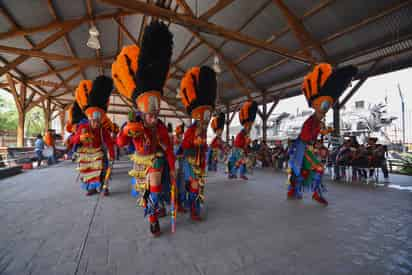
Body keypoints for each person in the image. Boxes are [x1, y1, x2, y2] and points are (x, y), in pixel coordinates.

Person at [113, 21, 174, 236]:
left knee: (155, 186)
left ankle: (153, 218)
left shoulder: (160, 127)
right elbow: (120, 144)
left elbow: (168, 147)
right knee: (146, 192)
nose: (153, 115)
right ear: (141, 109)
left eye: (155, 112)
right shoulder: (133, 123)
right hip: (138, 160)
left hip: (155, 160)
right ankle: (155, 209)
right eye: (149, 112)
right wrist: (125, 132)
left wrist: (173, 167)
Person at [288, 63, 357, 205]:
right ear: (315, 105)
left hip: (307, 148)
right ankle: (308, 192)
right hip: (303, 148)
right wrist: (317, 142)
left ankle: (301, 191)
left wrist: (326, 132)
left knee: (305, 171)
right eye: (324, 106)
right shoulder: (311, 121)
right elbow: (307, 137)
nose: (325, 109)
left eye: (327, 106)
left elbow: (318, 133)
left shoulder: (317, 121)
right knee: (314, 169)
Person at [179, 65, 217, 221]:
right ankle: (193, 210)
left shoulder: (204, 130)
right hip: (189, 162)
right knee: (194, 184)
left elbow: (204, 146)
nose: (206, 121)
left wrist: (204, 145)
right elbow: (186, 145)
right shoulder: (190, 130)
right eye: (204, 118)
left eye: (208, 118)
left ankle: (192, 205)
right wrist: (195, 141)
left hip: (200, 162)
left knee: (198, 185)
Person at [71, 76, 115, 196]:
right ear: (90, 119)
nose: (96, 123)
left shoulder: (102, 129)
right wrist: (80, 138)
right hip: (85, 153)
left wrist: (111, 153)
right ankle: (91, 188)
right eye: (94, 121)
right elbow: (73, 140)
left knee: (102, 169)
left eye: (98, 121)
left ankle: (103, 187)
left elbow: (109, 141)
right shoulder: (82, 127)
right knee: (88, 171)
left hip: (98, 152)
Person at [228, 101, 258, 180]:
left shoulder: (246, 134)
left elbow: (245, 144)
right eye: (249, 126)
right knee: (240, 162)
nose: (250, 127)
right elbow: (238, 143)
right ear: (245, 125)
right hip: (238, 149)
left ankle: (237, 174)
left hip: (240, 150)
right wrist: (246, 143)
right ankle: (234, 174)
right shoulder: (241, 134)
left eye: (250, 126)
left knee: (241, 162)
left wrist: (247, 144)